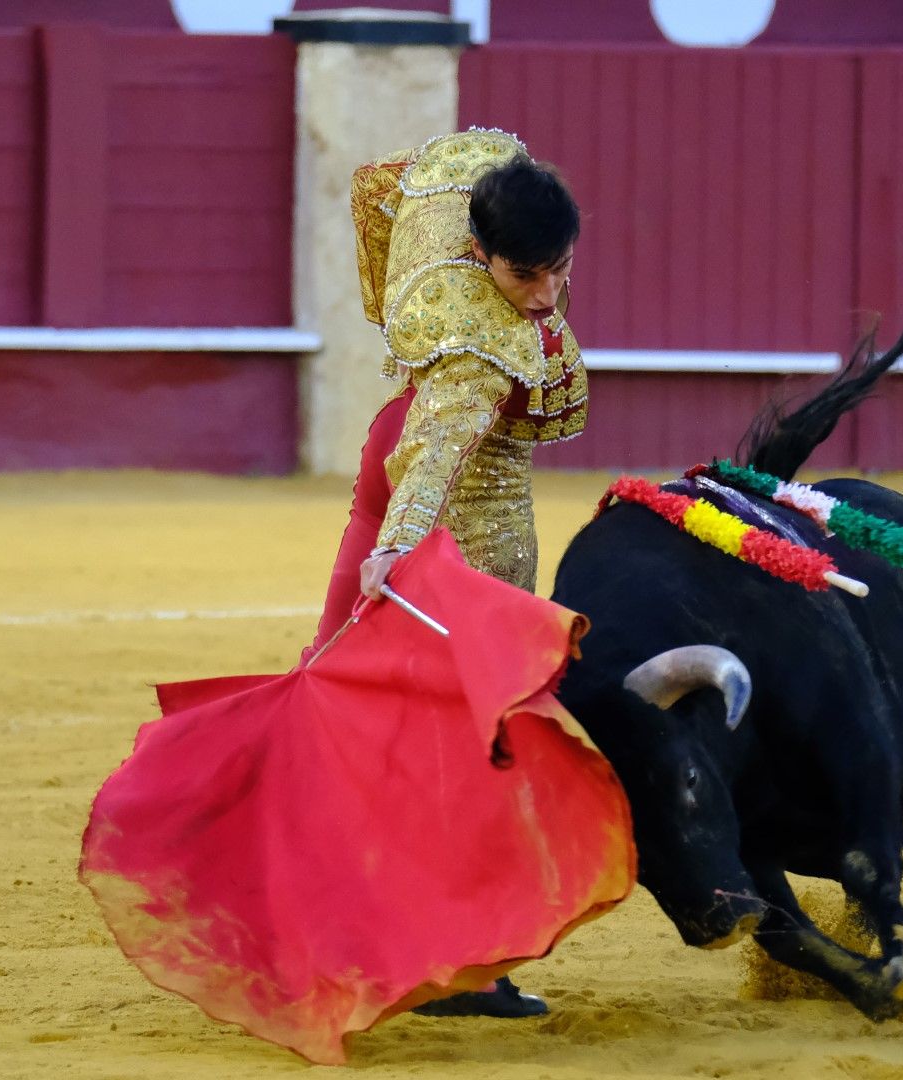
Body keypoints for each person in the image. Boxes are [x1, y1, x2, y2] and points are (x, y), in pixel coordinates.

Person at [308, 128, 588, 1018]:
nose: (544, 295)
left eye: (558, 270)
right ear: (480, 252)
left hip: (383, 455)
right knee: (471, 746)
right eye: (524, 276)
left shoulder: (467, 196)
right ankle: (457, 963)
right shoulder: (475, 344)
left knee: (336, 700)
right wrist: (401, 546)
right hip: (451, 508)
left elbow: (381, 185)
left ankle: (337, 928)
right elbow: (437, 451)